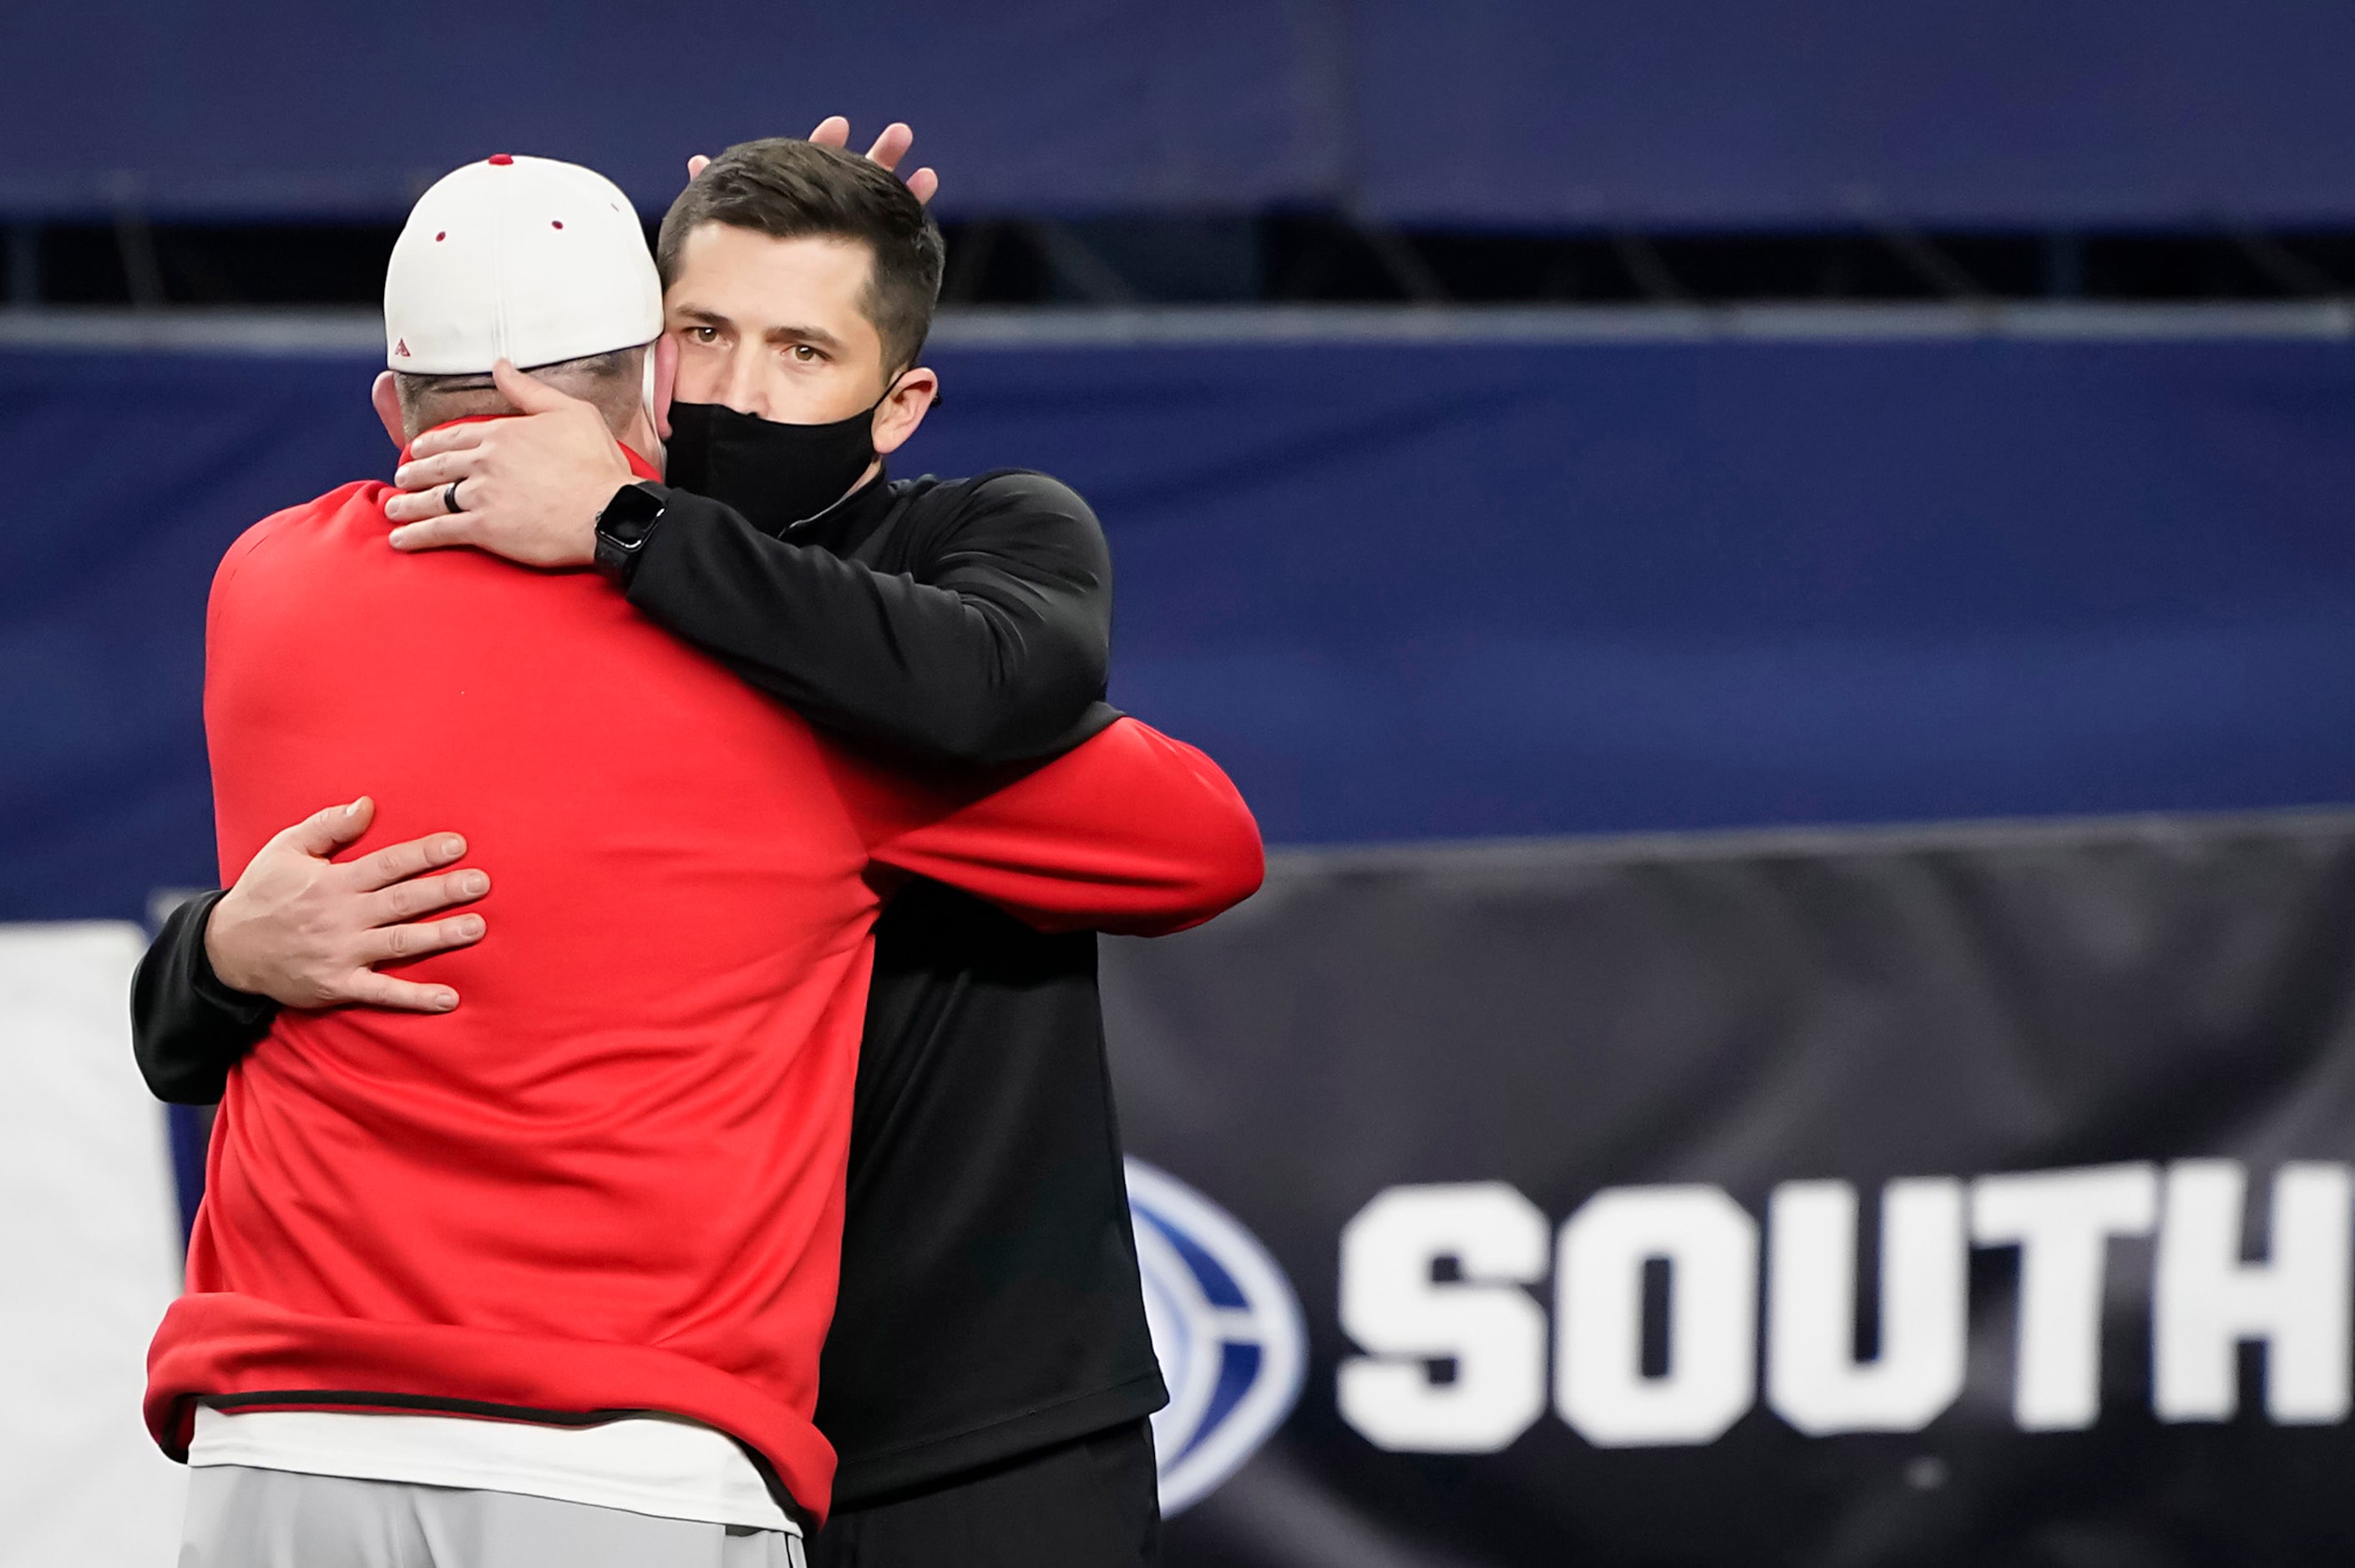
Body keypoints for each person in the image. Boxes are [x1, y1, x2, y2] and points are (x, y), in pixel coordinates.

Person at [144, 152, 1263, 1568]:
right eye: (703, 334)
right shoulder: (791, 714)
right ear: (648, 373)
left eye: (802, 347)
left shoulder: (268, 577)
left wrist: (634, 528)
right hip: (657, 1430)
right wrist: (222, 951)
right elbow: (1193, 833)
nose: (736, 388)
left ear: (898, 399)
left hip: (961, 1423)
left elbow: (1008, 683)